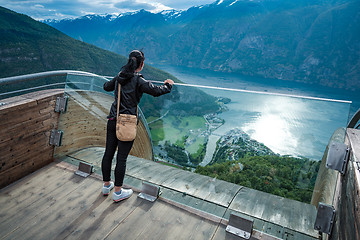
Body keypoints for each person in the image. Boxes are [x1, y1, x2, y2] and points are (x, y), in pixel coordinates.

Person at [101, 50, 173, 202]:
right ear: (141, 64)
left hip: (113, 119)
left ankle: (106, 185)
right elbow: (155, 91)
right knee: (122, 158)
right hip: (127, 123)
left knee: (108, 153)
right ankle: (118, 192)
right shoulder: (138, 80)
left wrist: (114, 82)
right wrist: (168, 86)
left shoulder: (120, 76)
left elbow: (106, 87)